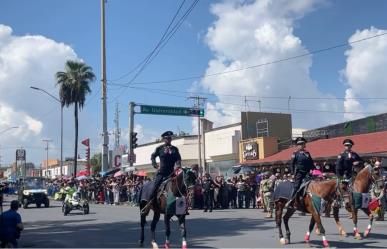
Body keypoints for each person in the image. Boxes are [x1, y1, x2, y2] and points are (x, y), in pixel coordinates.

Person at [141, 131, 182, 213]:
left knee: (180, 188)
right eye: (167, 138)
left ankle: (181, 208)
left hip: (172, 173)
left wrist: (178, 165)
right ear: (164, 139)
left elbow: (178, 158)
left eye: (170, 138)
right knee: (154, 187)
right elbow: (153, 156)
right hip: (162, 173)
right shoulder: (159, 148)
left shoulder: (175, 149)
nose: (169, 140)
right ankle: (148, 205)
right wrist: (155, 165)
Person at [286, 137, 314, 208]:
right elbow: (291, 164)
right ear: (297, 145)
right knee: (296, 186)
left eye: (303, 144)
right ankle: (290, 201)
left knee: (313, 185)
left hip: (308, 173)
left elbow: (311, 163)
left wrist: (317, 171)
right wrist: (292, 174)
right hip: (299, 173)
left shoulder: (307, 153)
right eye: (300, 144)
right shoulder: (295, 153)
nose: (301, 145)